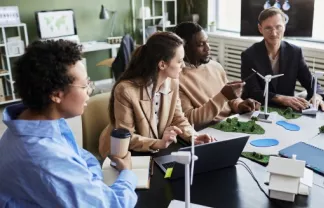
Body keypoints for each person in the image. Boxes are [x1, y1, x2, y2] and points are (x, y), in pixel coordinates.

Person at [0, 40, 137, 208]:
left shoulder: (33, 122)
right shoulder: (45, 156)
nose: (89, 92)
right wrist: (127, 173)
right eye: (85, 85)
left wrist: (87, 183)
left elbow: (84, 159)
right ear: (56, 94)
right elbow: (114, 205)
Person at [99, 32, 214, 158]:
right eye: (180, 61)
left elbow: (178, 118)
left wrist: (193, 136)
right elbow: (127, 137)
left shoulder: (172, 83)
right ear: (162, 64)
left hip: (153, 151)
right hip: (123, 153)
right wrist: (159, 143)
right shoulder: (125, 90)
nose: (183, 65)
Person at [174, 22, 261, 130]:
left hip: (231, 123)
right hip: (208, 132)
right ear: (183, 48)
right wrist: (223, 96)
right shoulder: (176, 79)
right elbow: (189, 120)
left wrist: (240, 105)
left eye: (207, 42)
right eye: (201, 44)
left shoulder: (215, 66)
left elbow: (229, 100)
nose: (208, 48)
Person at [241, 8, 324, 112]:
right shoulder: (249, 55)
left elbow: (311, 83)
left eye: (278, 27)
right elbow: (251, 91)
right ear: (260, 29)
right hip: (260, 110)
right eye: (268, 28)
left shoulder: (295, 52)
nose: (274, 33)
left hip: (288, 111)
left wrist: (317, 95)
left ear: (284, 27)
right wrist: (280, 98)